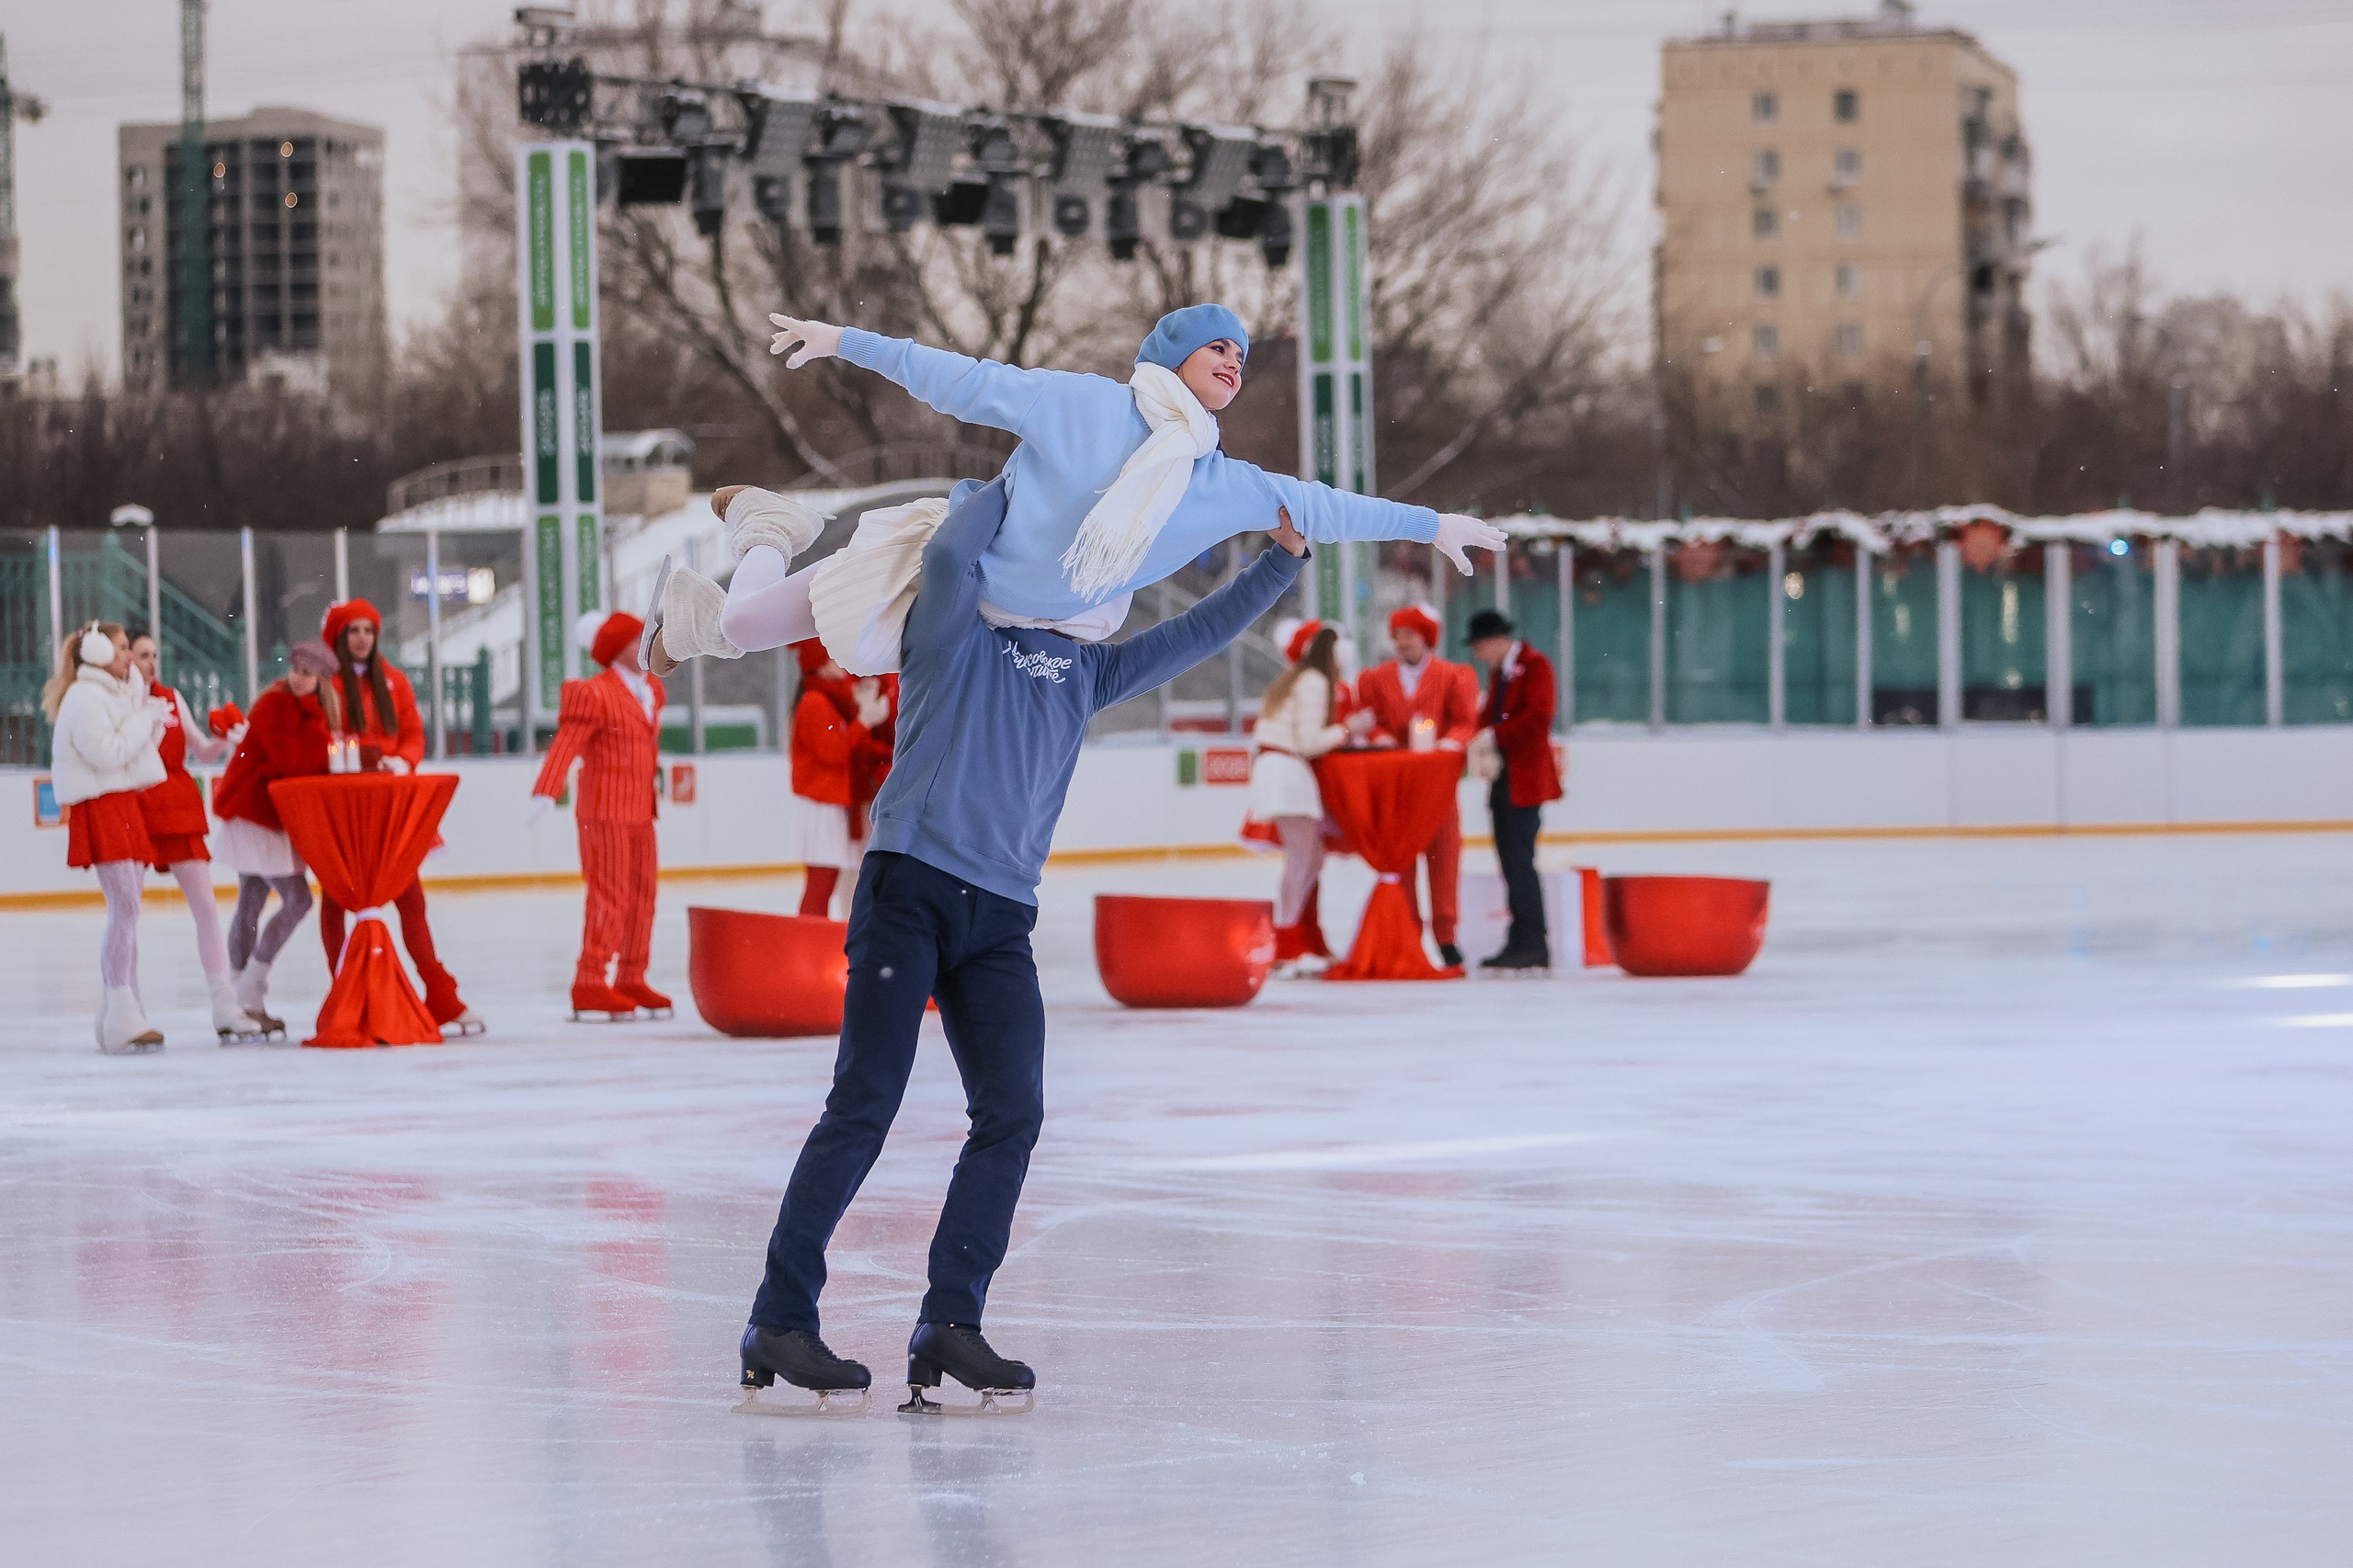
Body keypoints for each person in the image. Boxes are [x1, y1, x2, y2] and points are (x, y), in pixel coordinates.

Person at [735, 481, 1311, 1420]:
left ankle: (949, 1321)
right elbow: (951, 559)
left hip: (1000, 916)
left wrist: (1280, 562)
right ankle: (779, 1316)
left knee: (1011, 1112)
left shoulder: (1085, 671)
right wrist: (1004, 487)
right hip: (909, 887)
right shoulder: (955, 631)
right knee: (864, 1104)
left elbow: (1195, 636)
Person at [642, 304, 1506, 676]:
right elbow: (962, 379)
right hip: (944, 574)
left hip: (1030, 632)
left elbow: (1325, 506)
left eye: (1243, 355)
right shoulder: (1084, 405)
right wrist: (845, 340)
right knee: (747, 625)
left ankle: (705, 611)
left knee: (764, 637)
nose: (1235, 361)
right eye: (1218, 347)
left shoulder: (1224, 486)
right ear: (1173, 354)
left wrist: (1433, 526)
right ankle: (766, 525)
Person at [315, 598, 482, 1035]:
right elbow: (324, 739)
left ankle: (439, 992)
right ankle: (344, 988)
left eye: (368, 630)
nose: (362, 639)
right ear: (338, 636)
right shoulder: (326, 685)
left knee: (411, 899)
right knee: (336, 897)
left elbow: (412, 734)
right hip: (348, 810)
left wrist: (402, 762)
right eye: (353, 631)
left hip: (390, 807)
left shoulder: (394, 681)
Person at [126, 631, 270, 1040]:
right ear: (126, 660)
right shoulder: (120, 703)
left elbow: (201, 750)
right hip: (137, 806)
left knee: (206, 907)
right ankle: (129, 1004)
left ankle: (224, 1003)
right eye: (142, 655)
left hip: (178, 806)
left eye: (155, 655)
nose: (151, 663)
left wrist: (227, 739)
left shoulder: (171, 698)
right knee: (128, 912)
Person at [529, 611, 670, 1021]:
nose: (646, 645)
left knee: (643, 896)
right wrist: (546, 790)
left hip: (642, 809)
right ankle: (590, 980)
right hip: (604, 811)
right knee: (610, 897)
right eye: (637, 639)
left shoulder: (652, 691)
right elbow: (567, 743)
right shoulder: (593, 693)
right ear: (617, 648)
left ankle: (631, 974)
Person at [44, 621, 172, 1052]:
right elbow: (108, 752)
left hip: (120, 803)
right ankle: (119, 1008)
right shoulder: (85, 697)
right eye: (121, 649)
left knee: (129, 909)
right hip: (103, 805)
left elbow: (129, 751)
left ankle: (120, 1010)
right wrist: (144, 718)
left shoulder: (106, 694)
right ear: (97, 651)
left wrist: (148, 720)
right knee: (125, 908)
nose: (128, 658)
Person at [211, 640, 341, 1033]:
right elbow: (294, 763)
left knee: (250, 900)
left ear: (321, 680)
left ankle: (240, 999)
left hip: (264, 813)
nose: (296, 677)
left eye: (307, 673)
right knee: (297, 899)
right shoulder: (276, 705)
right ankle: (250, 985)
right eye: (295, 669)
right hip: (255, 813)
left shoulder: (305, 710)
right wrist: (314, 719)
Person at [1353, 605, 1482, 968]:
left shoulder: (1452, 676)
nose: (1402, 642)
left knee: (1444, 859)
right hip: (1398, 786)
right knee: (1401, 860)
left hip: (1436, 785)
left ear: (1425, 638)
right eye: (1397, 635)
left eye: (1409, 635)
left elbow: (1464, 721)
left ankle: (1446, 936)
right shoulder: (1377, 679)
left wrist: (1451, 743)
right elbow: (1372, 718)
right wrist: (1379, 737)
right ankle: (1408, 932)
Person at [1246, 622, 1358, 974]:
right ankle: (1287, 940)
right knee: (1303, 858)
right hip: (1287, 770)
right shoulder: (1314, 682)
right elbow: (1309, 741)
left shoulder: (1292, 679)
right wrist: (1347, 730)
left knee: (1310, 856)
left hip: (1277, 768)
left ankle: (1290, 936)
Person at [1466, 608, 1563, 971]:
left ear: (1495, 641)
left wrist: (1494, 735)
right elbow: (1489, 714)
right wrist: (1477, 734)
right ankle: (1521, 938)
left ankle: (1533, 941)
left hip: (1525, 781)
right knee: (1510, 862)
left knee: (1520, 862)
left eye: (1479, 646)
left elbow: (1538, 719)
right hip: (1505, 780)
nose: (1477, 654)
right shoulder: (1500, 672)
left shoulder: (1535, 666)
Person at [785, 642, 892, 919]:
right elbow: (833, 751)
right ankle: (808, 942)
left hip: (829, 803)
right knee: (820, 886)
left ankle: (810, 940)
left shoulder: (826, 700)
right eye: (834, 657)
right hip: (822, 805)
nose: (842, 664)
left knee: (824, 885)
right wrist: (863, 722)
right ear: (820, 664)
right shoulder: (815, 702)